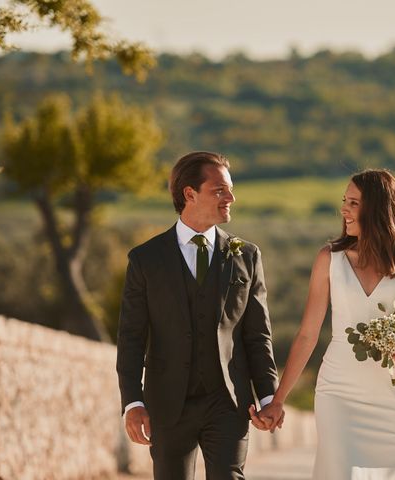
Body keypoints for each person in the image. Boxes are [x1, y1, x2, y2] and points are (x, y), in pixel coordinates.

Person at [116, 151, 280, 480]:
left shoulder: (246, 256)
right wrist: (132, 403)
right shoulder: (145, 260)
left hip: (229, 402)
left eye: (230, 189)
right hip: (168, 404)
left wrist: (268, 396)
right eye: (220, 190)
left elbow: (257, 334)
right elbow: (131, 337)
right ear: (190, 194)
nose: (231, 198)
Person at [259, 168, 395, 479]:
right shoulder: (330, 259)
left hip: (393, 396)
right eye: (344, 201)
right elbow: (308, 334)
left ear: (378, 208)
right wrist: (278, 399)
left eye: (353, 203)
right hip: (339, 392)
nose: (344, 210)